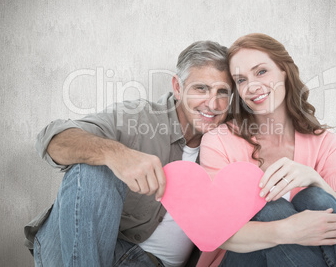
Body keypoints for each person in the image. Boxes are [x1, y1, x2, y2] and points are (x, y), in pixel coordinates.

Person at [24, 40, 232, 267]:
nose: (213, 103)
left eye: (222, 92)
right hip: (86, 247)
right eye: (201, 88)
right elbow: (53, 138)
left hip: (149, 263)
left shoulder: (229, 143)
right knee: (92, 167)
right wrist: (116, 154)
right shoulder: (139, 118)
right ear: (178, 87)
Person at [197, 33, 336, 266]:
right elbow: (215, 232)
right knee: (270, 206)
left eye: (261, 71)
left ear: (284, 70)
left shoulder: (326, 142)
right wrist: (287, 230)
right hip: (239, 260)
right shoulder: (219, 141)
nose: (252, 86)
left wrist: (314, 178)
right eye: (241, 80)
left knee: (315, 195)